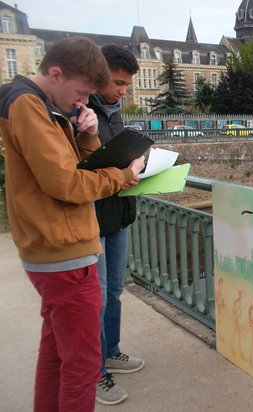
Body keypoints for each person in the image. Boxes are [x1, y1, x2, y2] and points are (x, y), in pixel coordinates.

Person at [0, 37, 145, 412]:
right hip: (64, 252)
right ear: (55, 73)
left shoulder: (41, 106)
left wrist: (87, 133)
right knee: (81, 366)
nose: (83, 101)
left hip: (56, 248)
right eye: (81, 92)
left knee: (56, 355)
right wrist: (124, 175)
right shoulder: (27, 106)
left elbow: (74, 167)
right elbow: (67, 185)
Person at [88, 44, 144, 406]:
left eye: (126, 84)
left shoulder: (114, 114)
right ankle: (95, 373)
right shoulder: (81, 114)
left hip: (118, 213)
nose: (123, 91)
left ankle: (111, 351)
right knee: (96, 297)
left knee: (113, 291)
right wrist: (123, 172)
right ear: (97, 74)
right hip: (92, 216)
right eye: (119, 83)